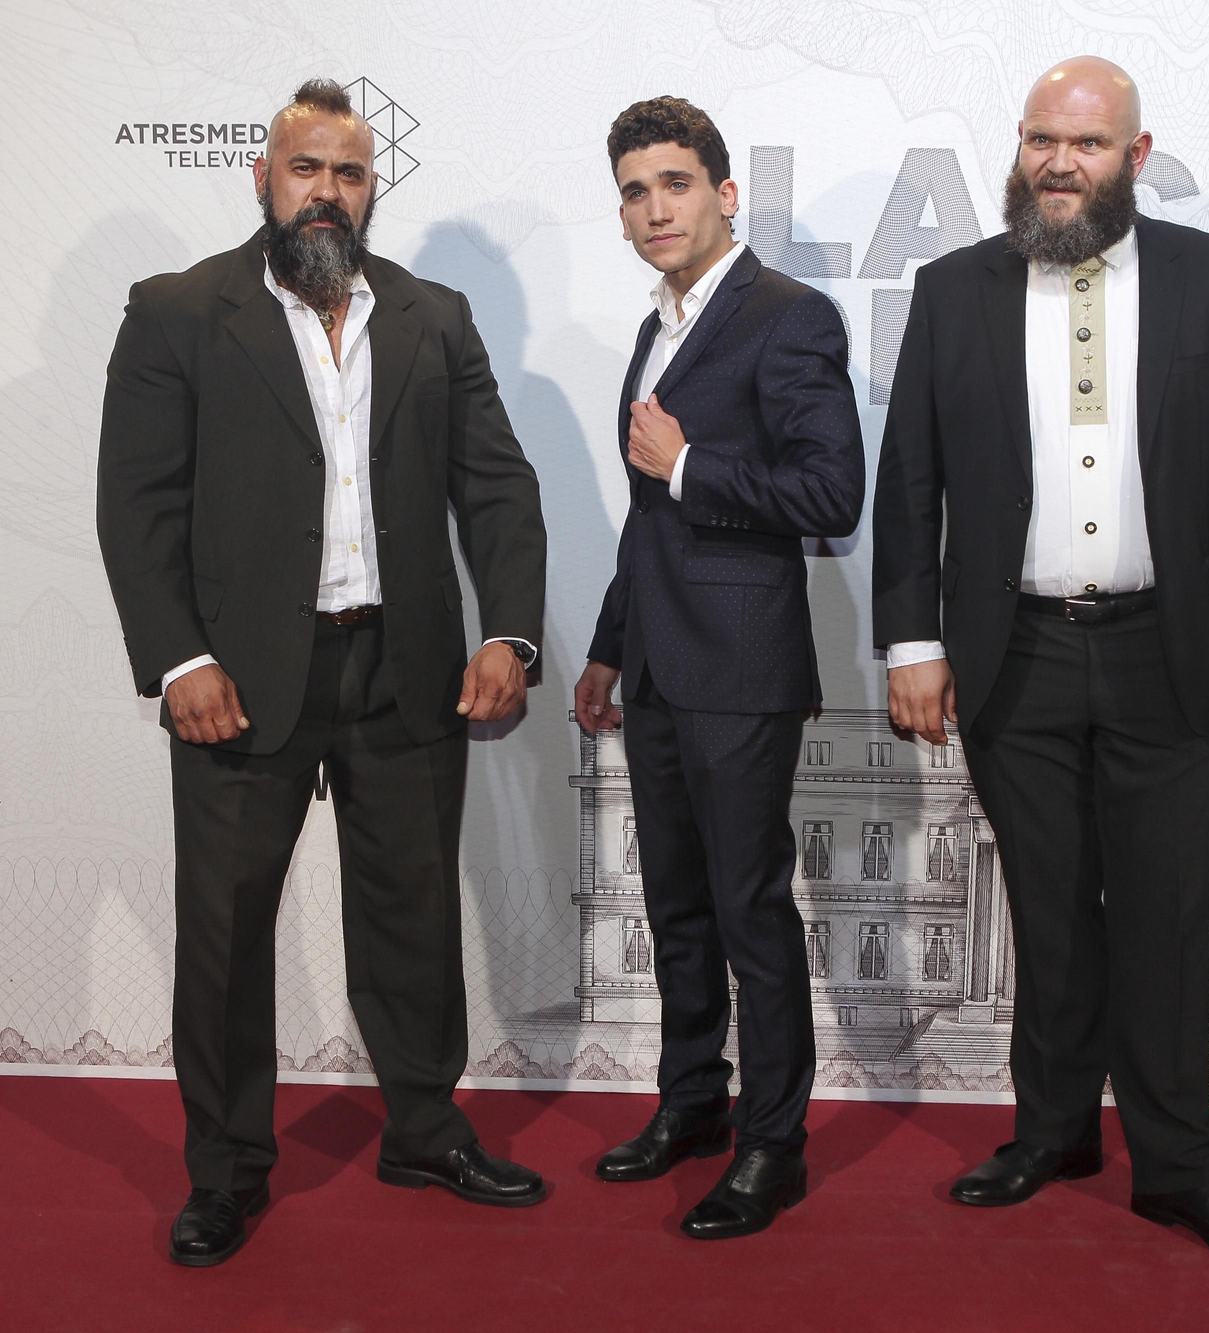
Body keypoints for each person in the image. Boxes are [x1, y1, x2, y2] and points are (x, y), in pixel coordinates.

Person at [872, 56, 1209, 1269]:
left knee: (1168, 920)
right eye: (1036, 140)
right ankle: (1053, 1132)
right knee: (1049, 911)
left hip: (1164, 651)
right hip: (1010, 652)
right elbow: (908, 482)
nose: (1055, 163)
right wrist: (910, 639)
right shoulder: (952, 287)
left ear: (1135, 151)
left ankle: (1179, 1169)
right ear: (1018, 152)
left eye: (1081, 142)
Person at [97, 78, 549, 1267]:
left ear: (370, 189)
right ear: (264, 177)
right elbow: (135, 503)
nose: (327, 193)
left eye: (349, 174)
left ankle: (423, 1128)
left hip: (401, 671)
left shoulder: (431, 315)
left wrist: (508, 631)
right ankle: (228, 1170)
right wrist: (179, 657)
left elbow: (495, 484)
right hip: (239, 683)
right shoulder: (180, 310)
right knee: (227, 933)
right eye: (307, 169)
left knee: (409, 918)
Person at [574, 97, 865, 1240]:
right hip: (654, 661)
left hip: (741, 666)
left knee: (747, 908)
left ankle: (772, 1146)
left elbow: (829, 497)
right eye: (635, 191)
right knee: (675, 904)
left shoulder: (787, 318)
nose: (654, 207)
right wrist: (608, 644)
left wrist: (692, 463)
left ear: (724, 192)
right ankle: (690, 1104)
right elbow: (647, 517)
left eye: (675, 184)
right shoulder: (659, 324)